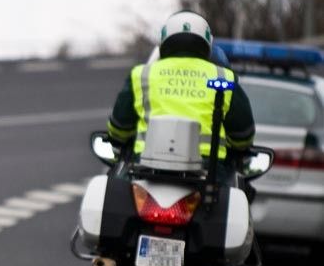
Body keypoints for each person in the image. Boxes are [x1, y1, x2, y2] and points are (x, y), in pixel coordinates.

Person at [107, 10, 255, 176]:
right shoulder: (223, 77)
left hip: (144, 169)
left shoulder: (142, 74)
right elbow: (243, 135)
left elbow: (119, 128)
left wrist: (120, 138)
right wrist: (237, 147)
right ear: (207, 44)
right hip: (209, 173)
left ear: (164, 41)